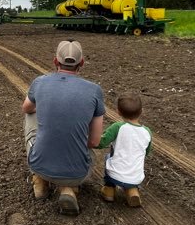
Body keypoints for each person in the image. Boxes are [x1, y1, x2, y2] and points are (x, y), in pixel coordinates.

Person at [22, 39, 105, 215]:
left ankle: (40, 180)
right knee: (84, 146)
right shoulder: (94, 90)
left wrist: (45, 106)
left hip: (40, 164)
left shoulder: (40, 82)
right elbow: (94, 141)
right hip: (78, 173)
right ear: (81, 63)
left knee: (30, 115)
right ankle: (68, 187)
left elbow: (26, 108)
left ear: (55, 61)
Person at [97, 93, 152, 207]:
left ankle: (109, 190)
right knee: (135, 163)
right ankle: (132, 192)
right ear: (141, 111)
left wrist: (89, 141)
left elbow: (101, 143)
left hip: (115, 174)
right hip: (136, 177)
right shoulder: (147, 132)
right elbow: (146, 152)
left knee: (108, 157)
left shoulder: (117, 127)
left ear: (118, 112)